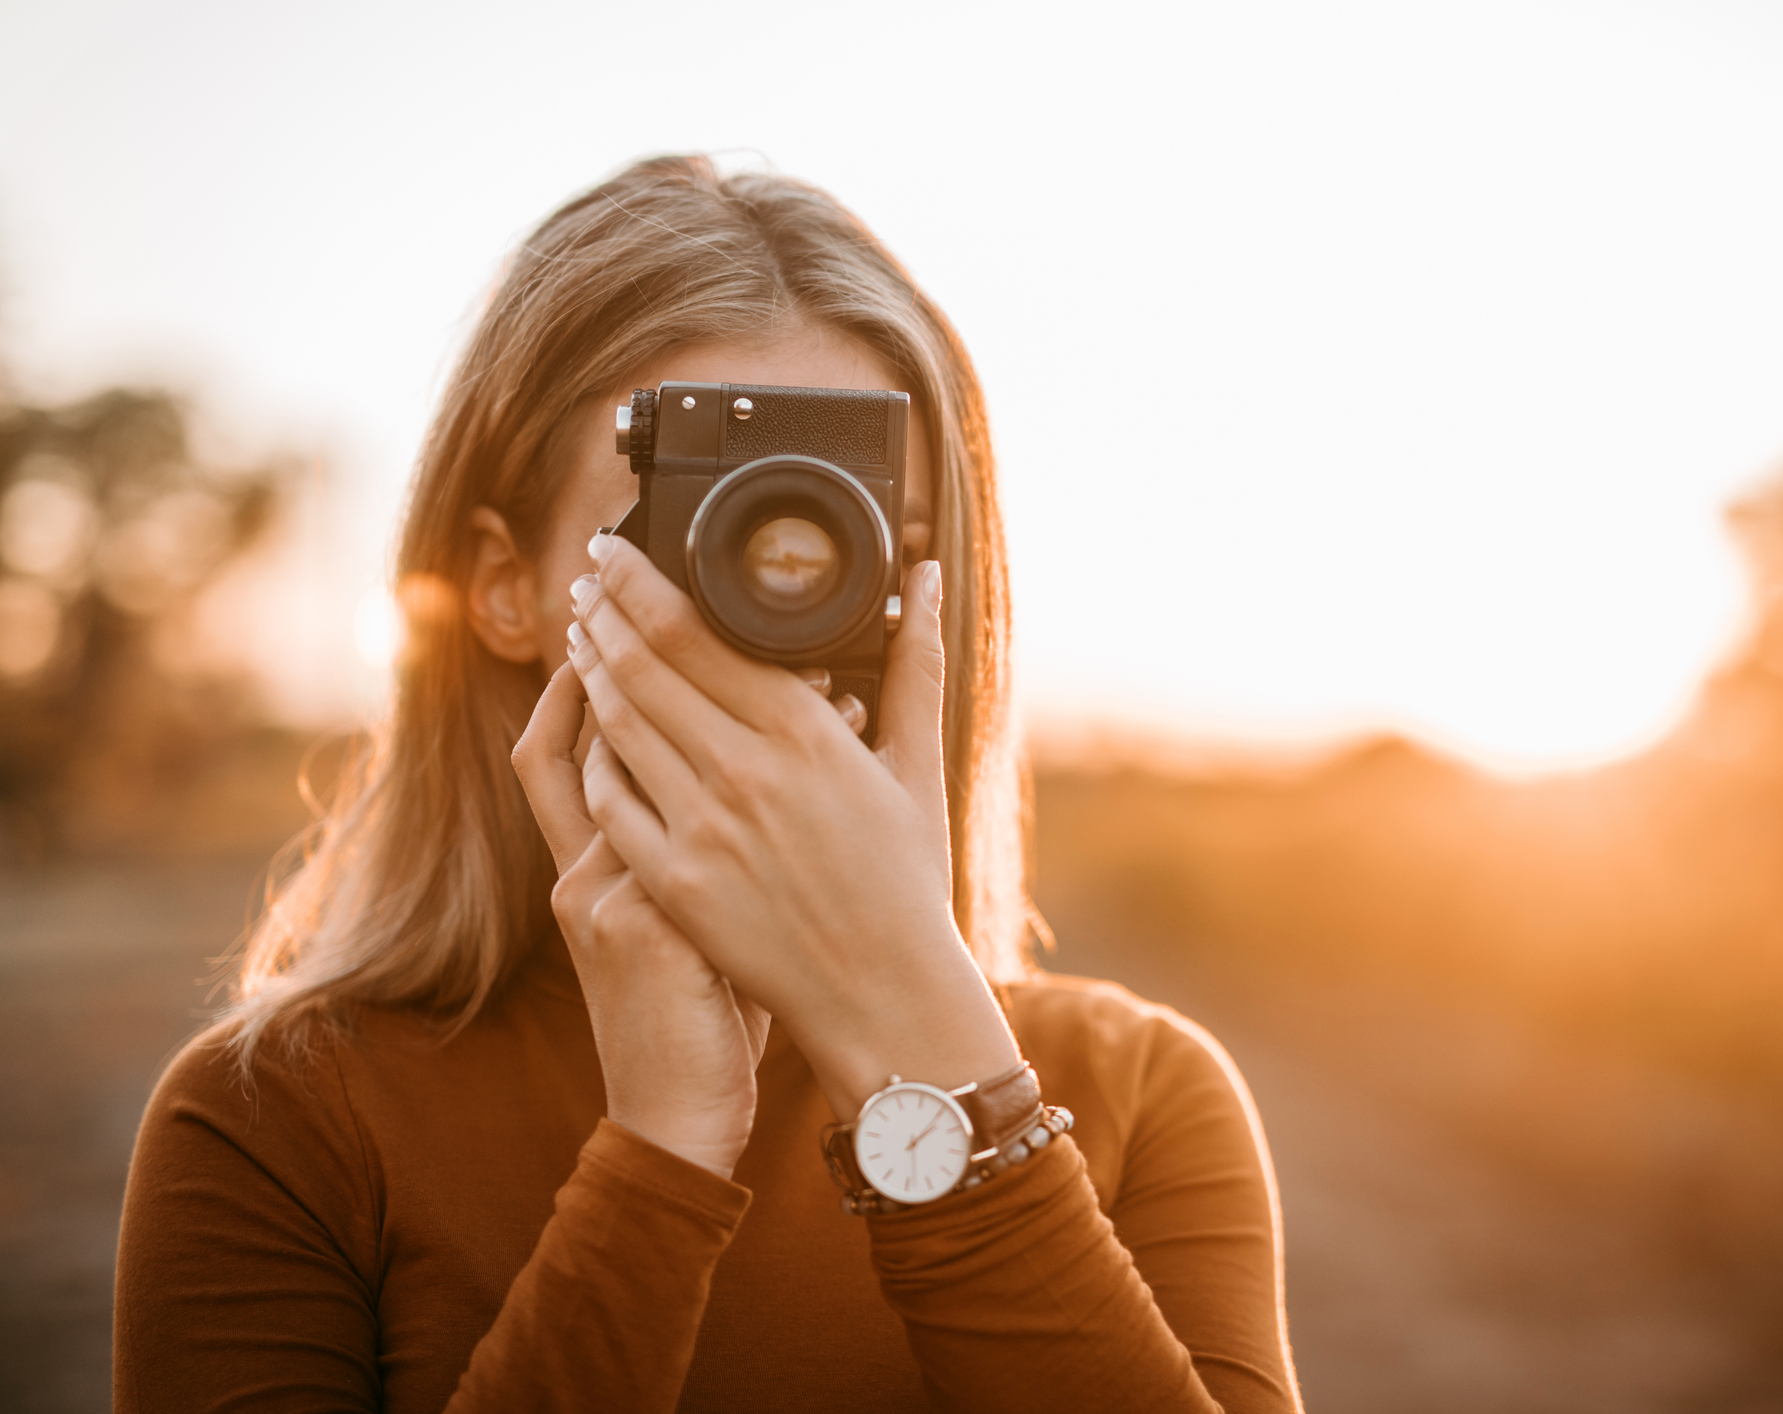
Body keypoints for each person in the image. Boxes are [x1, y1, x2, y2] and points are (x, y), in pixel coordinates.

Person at [112, 154, 1300, 1413]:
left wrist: (928, 1052)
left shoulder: (1136, 1095)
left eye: (833, 535)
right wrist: (661, 1151)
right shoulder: (282, 1123)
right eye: (697, 529)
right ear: (505, 586)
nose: (770, 599)